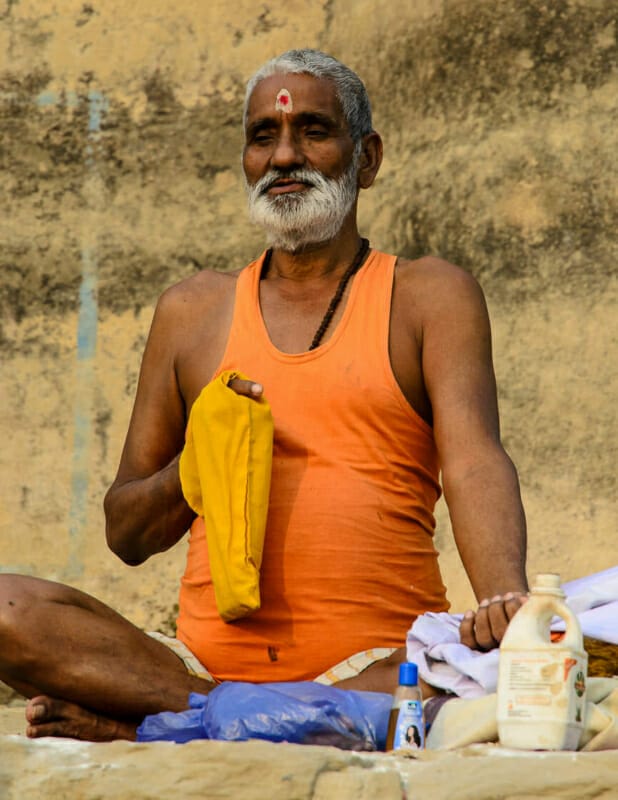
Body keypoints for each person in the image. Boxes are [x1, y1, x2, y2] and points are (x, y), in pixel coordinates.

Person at [0, 49, 528, 742]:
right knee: (7, 609)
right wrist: (195, 470)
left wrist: (502, 599)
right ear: (246, 161)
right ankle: (241, 713)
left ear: (365, 158)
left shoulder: (429, 296)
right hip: (195, 663)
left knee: (479, 672)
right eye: (263, 137)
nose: (285, 155)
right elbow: (126, 534)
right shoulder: (193, 312)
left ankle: (174, 721)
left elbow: (474, 462)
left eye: (313, 130)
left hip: (377, 665)